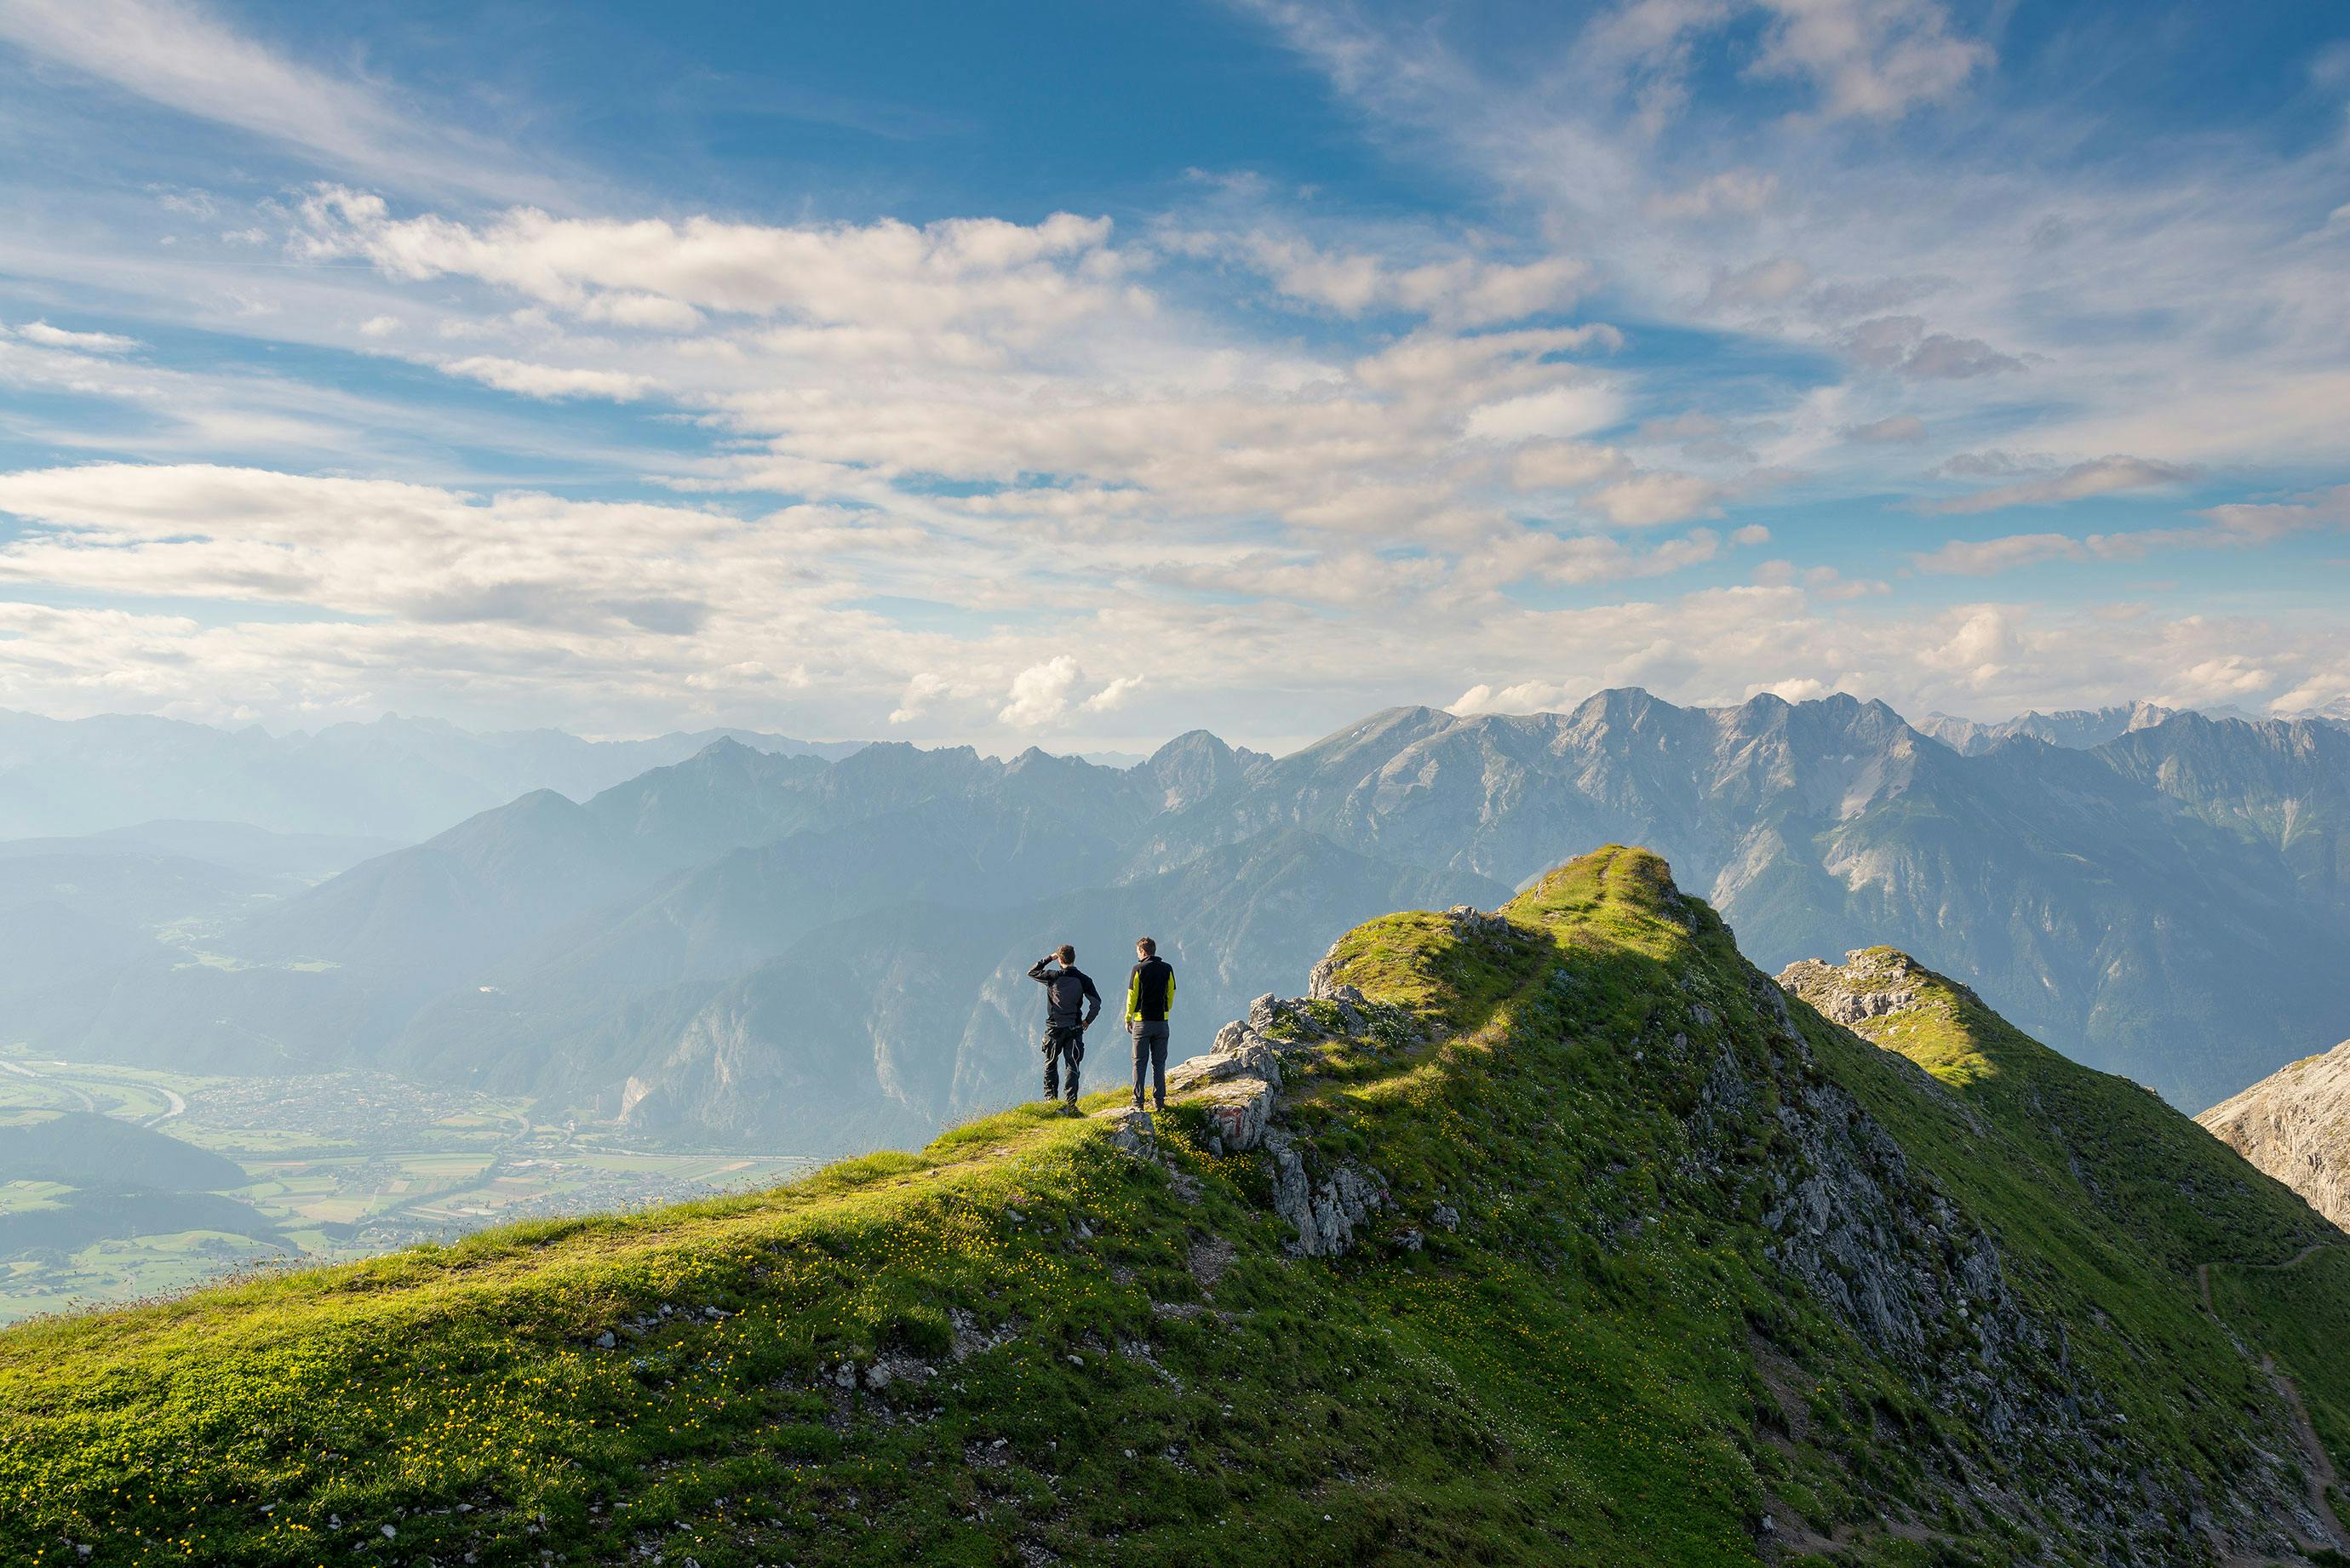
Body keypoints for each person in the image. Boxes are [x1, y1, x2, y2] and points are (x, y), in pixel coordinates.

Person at [1027, 943, 1099, 1113]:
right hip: (1074, 1028)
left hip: (1054, 1028)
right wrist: (1088, 1021)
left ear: (1059, 959)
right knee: (1072, 1065)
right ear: (1074, 958)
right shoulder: (1084, 979)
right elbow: (1096, 1003)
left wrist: (1048, 959)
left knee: (1051, 1063)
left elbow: (1031, 972)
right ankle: (1071, 1104)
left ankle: (1051, 1101)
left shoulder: (1052, 976)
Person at [1125, 936, 1176, 1113]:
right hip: (1162, 1022)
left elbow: (1132, 995)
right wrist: (1165, 1010)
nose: (1137, 955)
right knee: (1159, 1063)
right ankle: (1159, 1101)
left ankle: (1138, 1102)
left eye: (1138, 951)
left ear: (1143, 951)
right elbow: (1171, 992)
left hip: (1142, 1022)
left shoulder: (1138, 969)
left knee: (1139, 1062)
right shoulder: (1167, 968)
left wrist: (1127, 1017)